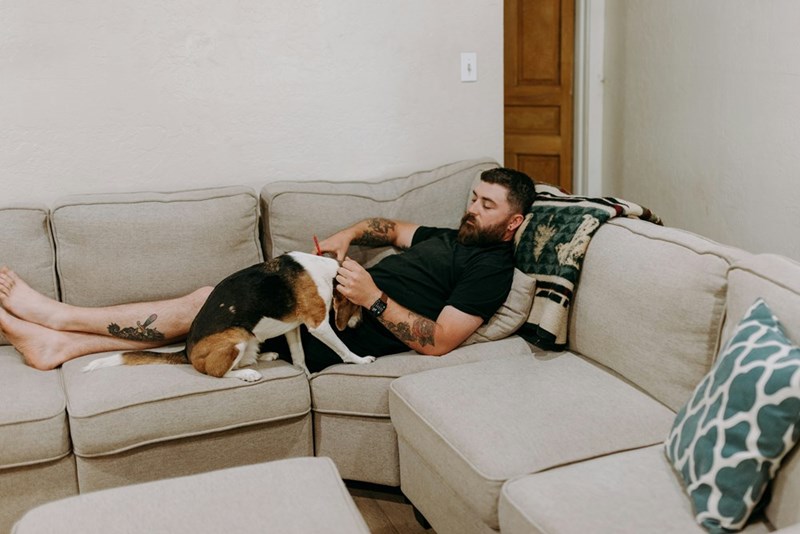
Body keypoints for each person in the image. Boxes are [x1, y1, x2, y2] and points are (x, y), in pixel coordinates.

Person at [0, 167, 536, 373]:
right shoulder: (451, 235)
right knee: (208, 310)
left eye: (486, 205)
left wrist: (371, 295)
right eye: (473, 197)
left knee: (207, 307)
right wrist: (348, 235)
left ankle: (59, 318)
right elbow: (391, 228)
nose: (472, 209)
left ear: (513, 223)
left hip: (340, 327)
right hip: (328, 295)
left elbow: (439, 342)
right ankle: (61, 344)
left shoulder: (491, 269)